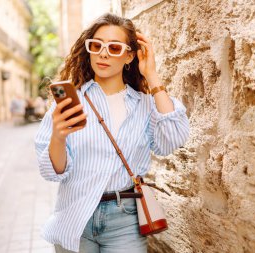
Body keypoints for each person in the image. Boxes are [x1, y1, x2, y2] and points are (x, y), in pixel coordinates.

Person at [35, 13, 189, 253]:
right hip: (75, 216)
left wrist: (152, 75)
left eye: (114, 47)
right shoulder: (69, 104)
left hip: (125, 219)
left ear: (129, 55)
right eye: (96, 45)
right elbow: (52, 173)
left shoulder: (145, 105)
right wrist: (58, 136)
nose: (103, 53)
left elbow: (173, 139)